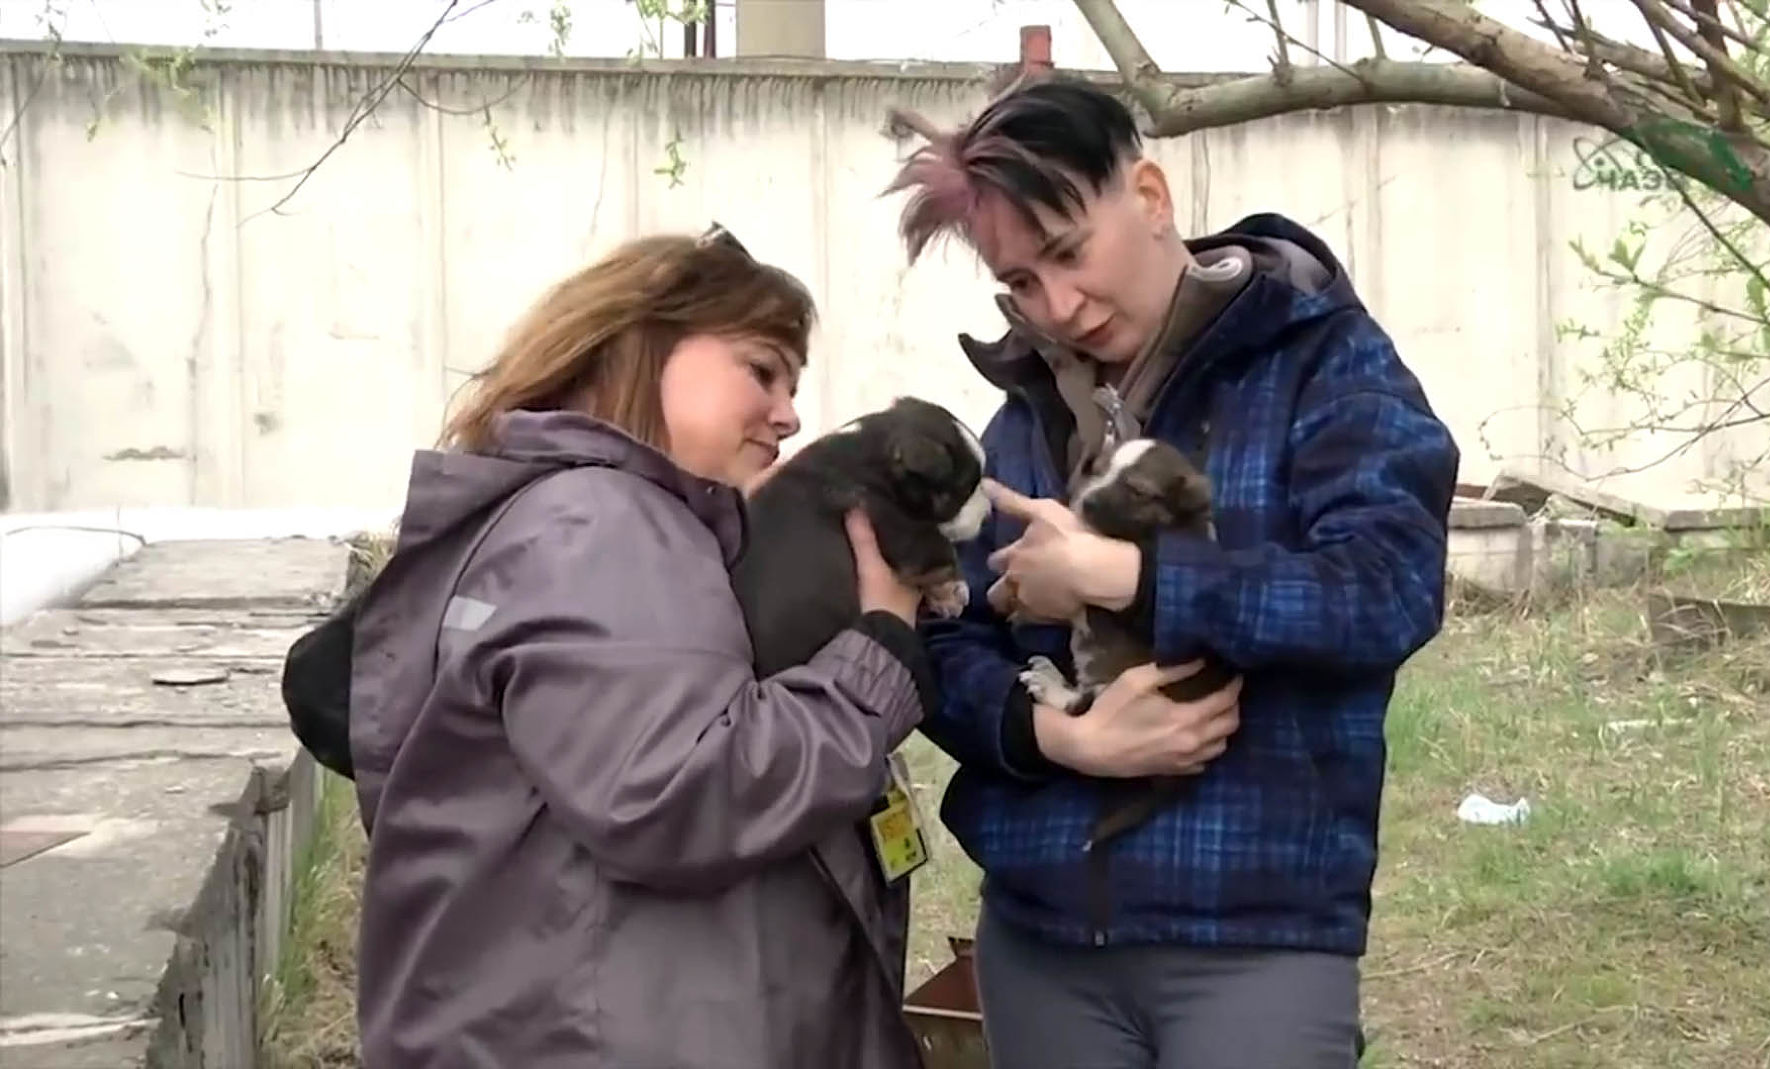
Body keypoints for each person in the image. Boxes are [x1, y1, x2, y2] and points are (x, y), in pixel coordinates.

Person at [884, 76, 1461, 1066]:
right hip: (1038, 937)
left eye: (1068, 252)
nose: (1058, 305)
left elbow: (1386, 587)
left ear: (1148, 196)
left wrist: (1125, 576)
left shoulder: (1320, 360)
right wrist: (1056, 735)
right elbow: (940, 638)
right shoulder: (1029, 413)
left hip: (1254, 936)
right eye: (1020, 281)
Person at [346, 226, 932, 1069]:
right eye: (761, 370)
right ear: (646, 340)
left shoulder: (574, 516)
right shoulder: (603, 525)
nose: (789, 414)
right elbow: (676, 787)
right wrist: (874, 664)